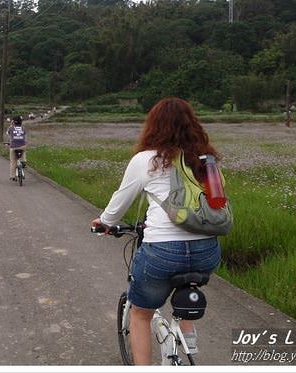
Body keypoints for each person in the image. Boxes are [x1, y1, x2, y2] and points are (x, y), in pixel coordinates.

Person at [91, 97, 223, 365]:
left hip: (162, 252)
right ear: (193, 125)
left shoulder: (146, 160)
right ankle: (188, 333)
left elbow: (118, 204)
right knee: (189, 281)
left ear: (154, 126)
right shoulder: (205, 160)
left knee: (141, 313)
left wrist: (104, 222)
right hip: (207, 250)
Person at [7, 115, 27, 180]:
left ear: (13, 122)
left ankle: (12, 176)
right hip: (22, 146)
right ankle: (23, 160)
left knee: (13, 161)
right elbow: (24, 134)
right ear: (21, 122)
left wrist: (11, 125)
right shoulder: (23, 128)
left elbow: (8, 133)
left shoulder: (11, 128)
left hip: (13, 146)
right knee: (23, 149)